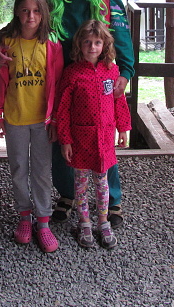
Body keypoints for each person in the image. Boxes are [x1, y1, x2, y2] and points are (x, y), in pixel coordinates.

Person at [0, 0, 135, 227]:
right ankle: (68, 194)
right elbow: (15, 27)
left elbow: (121, 38)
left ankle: (112, 200)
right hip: (59, 85)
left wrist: (125, 72)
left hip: (97, 83)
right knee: (61, 138)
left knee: (102, 138)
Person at [0, 0, 64, 253]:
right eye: (25, 11)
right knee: (19, 168)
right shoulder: (6, 44)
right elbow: (0, 81)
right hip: (15, 118)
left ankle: (43, 222)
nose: (31, 16)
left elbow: (58, 84)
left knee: (41, 171)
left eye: (36, 11)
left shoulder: (52, 45)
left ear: (43, 14)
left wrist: (56, 120)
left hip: (43, 122)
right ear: (17, 13)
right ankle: (24, 217)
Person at [56, 20, 131, 249]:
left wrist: (123, 128)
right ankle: (85, 222)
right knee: (80, 183)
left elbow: (119, 101)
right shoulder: (72, 74)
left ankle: (103, 221)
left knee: (102, 182)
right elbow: (63, 110)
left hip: (105, 139)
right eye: (87, 42)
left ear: (104, 45)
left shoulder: (112, 71)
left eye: (97, 42)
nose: (92, 47)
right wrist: (65, 140)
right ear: (79, 44)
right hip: (80, 139)